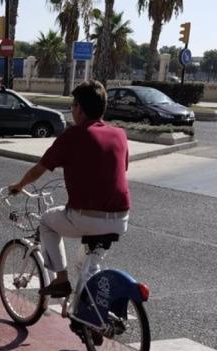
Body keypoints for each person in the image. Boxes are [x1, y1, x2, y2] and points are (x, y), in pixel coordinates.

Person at [7, 80, 130, 299]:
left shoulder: (73, 135)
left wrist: (19, 186)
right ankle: (89, 307)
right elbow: (120, 169)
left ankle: (61, 280)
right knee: (87, 264)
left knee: (46, 221)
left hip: (87, 218)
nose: (72, 110)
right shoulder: (119, 134)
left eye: (73, 105)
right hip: (121, 219)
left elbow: (39, 169)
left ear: (80, 109)